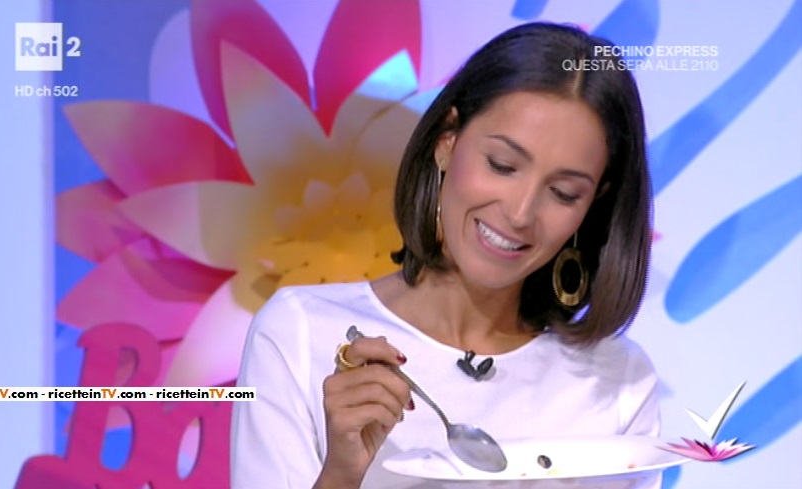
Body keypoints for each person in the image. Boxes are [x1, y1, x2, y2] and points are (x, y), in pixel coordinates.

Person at [231, 21, 659, 489]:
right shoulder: (298, 333)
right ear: (446, 141)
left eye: (563, 192)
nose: (519, 213)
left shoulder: (618, 383)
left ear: (593, 203)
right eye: (502, 165)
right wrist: (341, 474)